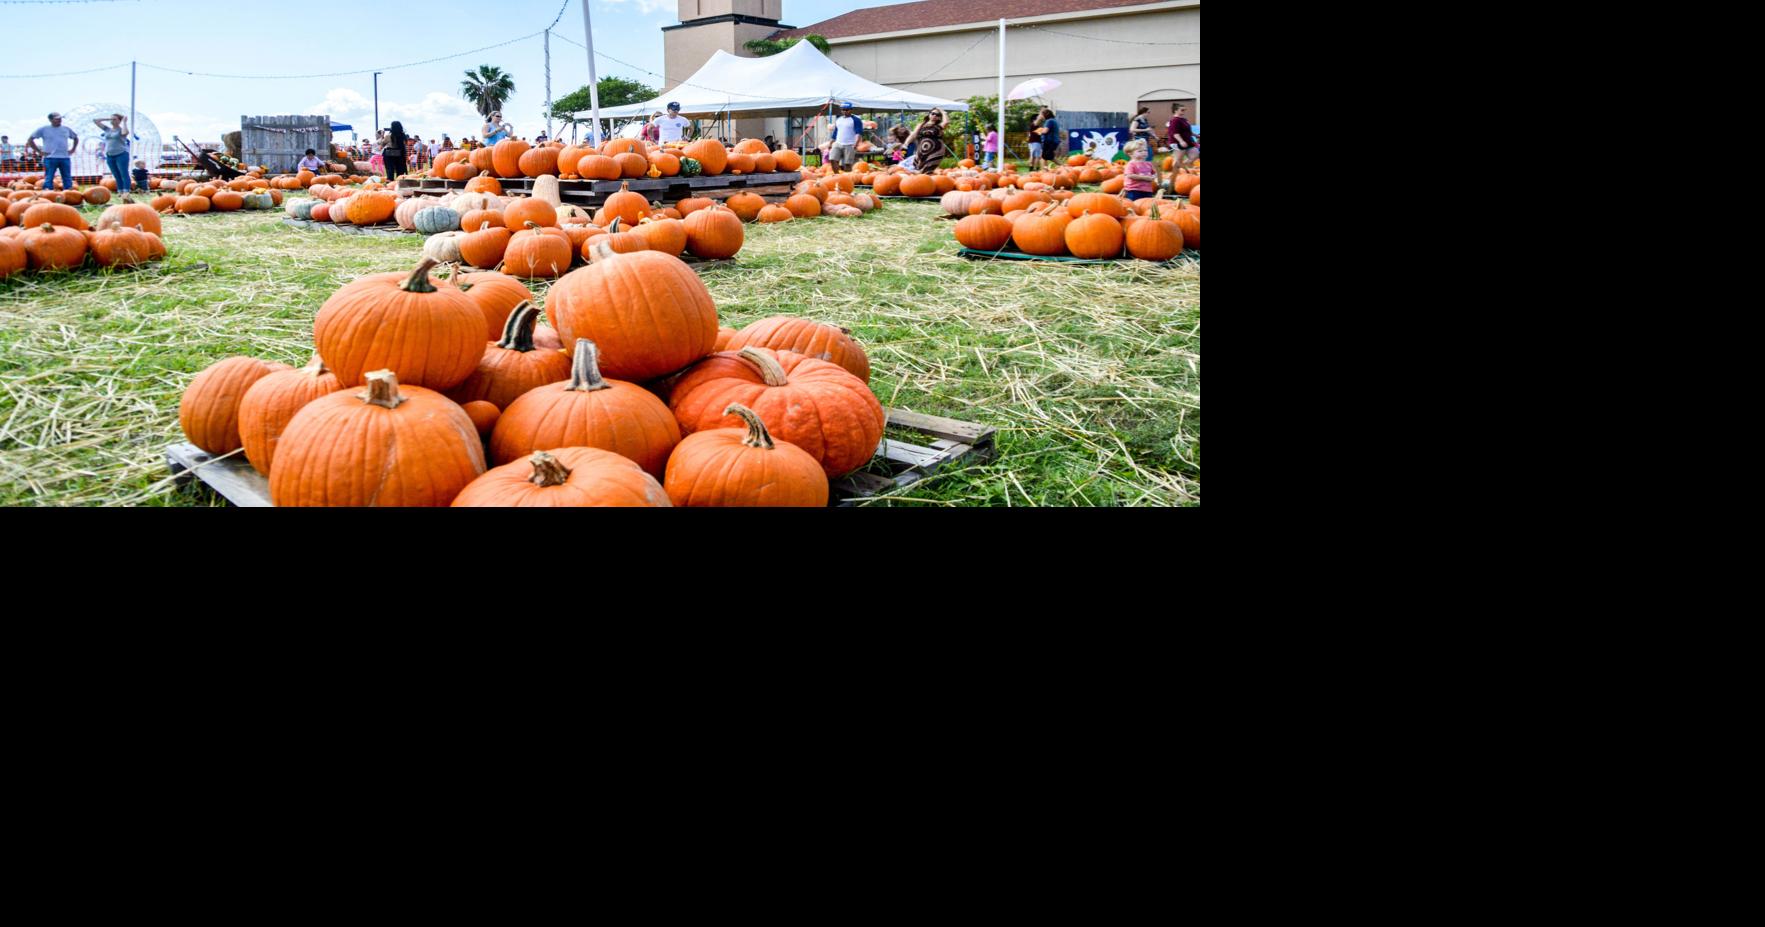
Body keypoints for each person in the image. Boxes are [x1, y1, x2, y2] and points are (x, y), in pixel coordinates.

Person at [28, 112, 78, 192]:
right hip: (50, 158)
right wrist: (39, 151)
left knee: (67, 177)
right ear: (50, 120)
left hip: (64, 157)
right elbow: (30, 139)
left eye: (60, 118)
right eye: (57, 119)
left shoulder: (66, 129)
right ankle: (48, 193)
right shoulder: (44, 129)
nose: (59, 120)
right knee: (49, 177)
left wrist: (73, 149)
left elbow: (75, 138)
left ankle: (69, 192)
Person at [92, 113, 132, 192]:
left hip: (121, 154)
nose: (112, 121)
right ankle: (120, 191)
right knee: (116, 175)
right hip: (110, 155)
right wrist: (108, 119)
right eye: (111, 119)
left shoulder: (121, 129)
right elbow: (95, 121)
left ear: (119, 121)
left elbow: (125, 133)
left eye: (115, 119)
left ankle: (126, 191)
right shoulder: (107, 129)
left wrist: (124, 122)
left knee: (124, 174)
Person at [902, 108, 948, 173]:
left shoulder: (939, 126)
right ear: (929, 114)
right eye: (933, 113)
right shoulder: (921, 125)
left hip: (936, 150)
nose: (934, 115)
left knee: (928, 169)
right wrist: (906, 144)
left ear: (940, 118)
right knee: (918, 168)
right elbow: (913, 135)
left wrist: (943, 112)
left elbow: (946, 122)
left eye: (938, 115)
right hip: (921, 150)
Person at [829, 101, 865, 171]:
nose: (845, 111)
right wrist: (831, 143)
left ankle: (847, 178)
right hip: (838, 143)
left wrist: (856, 143)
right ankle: (837, 176)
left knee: (847, 164)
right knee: (832, 159)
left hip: (850, 144)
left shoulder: (856, 120)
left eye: (847, 110)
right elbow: (835, 132)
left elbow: (858, 133)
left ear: (851, 110)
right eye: (843, 109)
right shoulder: (839, 120)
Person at [1165, 103, 1196, 171]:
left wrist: (1196, 135)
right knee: (1178, 160)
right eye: (1182, 110)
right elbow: (1175, 133)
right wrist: (1181, 141)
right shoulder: (1175, 120)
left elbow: (1188, 131)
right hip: (1178, 142)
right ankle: (1174, 175)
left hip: (1188, 142)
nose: (1184, 111)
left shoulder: (1184, 119)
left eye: (1185, 110)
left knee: (1195, 154)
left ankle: (1183, 168)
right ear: (1176, 110)